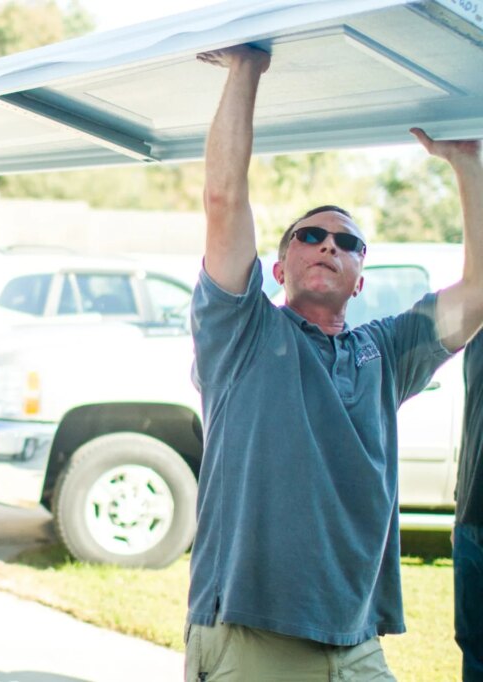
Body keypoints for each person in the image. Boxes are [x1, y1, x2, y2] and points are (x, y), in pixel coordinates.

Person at [186, 44, 483, 681]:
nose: (328, 245)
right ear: (279, 264)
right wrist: (246, 66)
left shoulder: (386, 352)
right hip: (252, 631)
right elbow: (222, 200)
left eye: (347, 243)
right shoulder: (241, 330)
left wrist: (466, 165)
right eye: (311, 235)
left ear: (359, 280)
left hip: (356, 639)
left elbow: (479, 295)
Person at [456, 333, 483, 681]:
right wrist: (457, 507)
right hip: (470, 526)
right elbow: (471, 428)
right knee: (473, 648)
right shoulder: (476, 339)